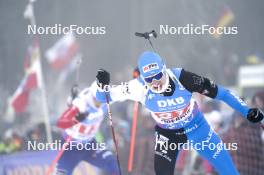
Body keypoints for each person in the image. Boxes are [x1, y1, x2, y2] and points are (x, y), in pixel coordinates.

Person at [95, 51, 264, 175]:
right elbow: (103, 97)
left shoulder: (183, 78)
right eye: (149, 79)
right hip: (168, 135)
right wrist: (101, 85)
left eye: (158, 76)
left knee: (229, 171)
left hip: (197, 128)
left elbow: (222, 93)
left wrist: (247, 111)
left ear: (164, 69)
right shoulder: (137, 87)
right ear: (143, 79)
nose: (155, 82)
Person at [55, 81, 119, 175]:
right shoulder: (81, 103)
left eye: (102, 100)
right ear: (92, 96)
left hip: (90, 145)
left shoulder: (108, 98)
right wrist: (76, 120)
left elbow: (126, 91)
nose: (100, 104)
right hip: (69, 147)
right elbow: (60, 123)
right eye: (97, 100)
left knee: (112, 164)